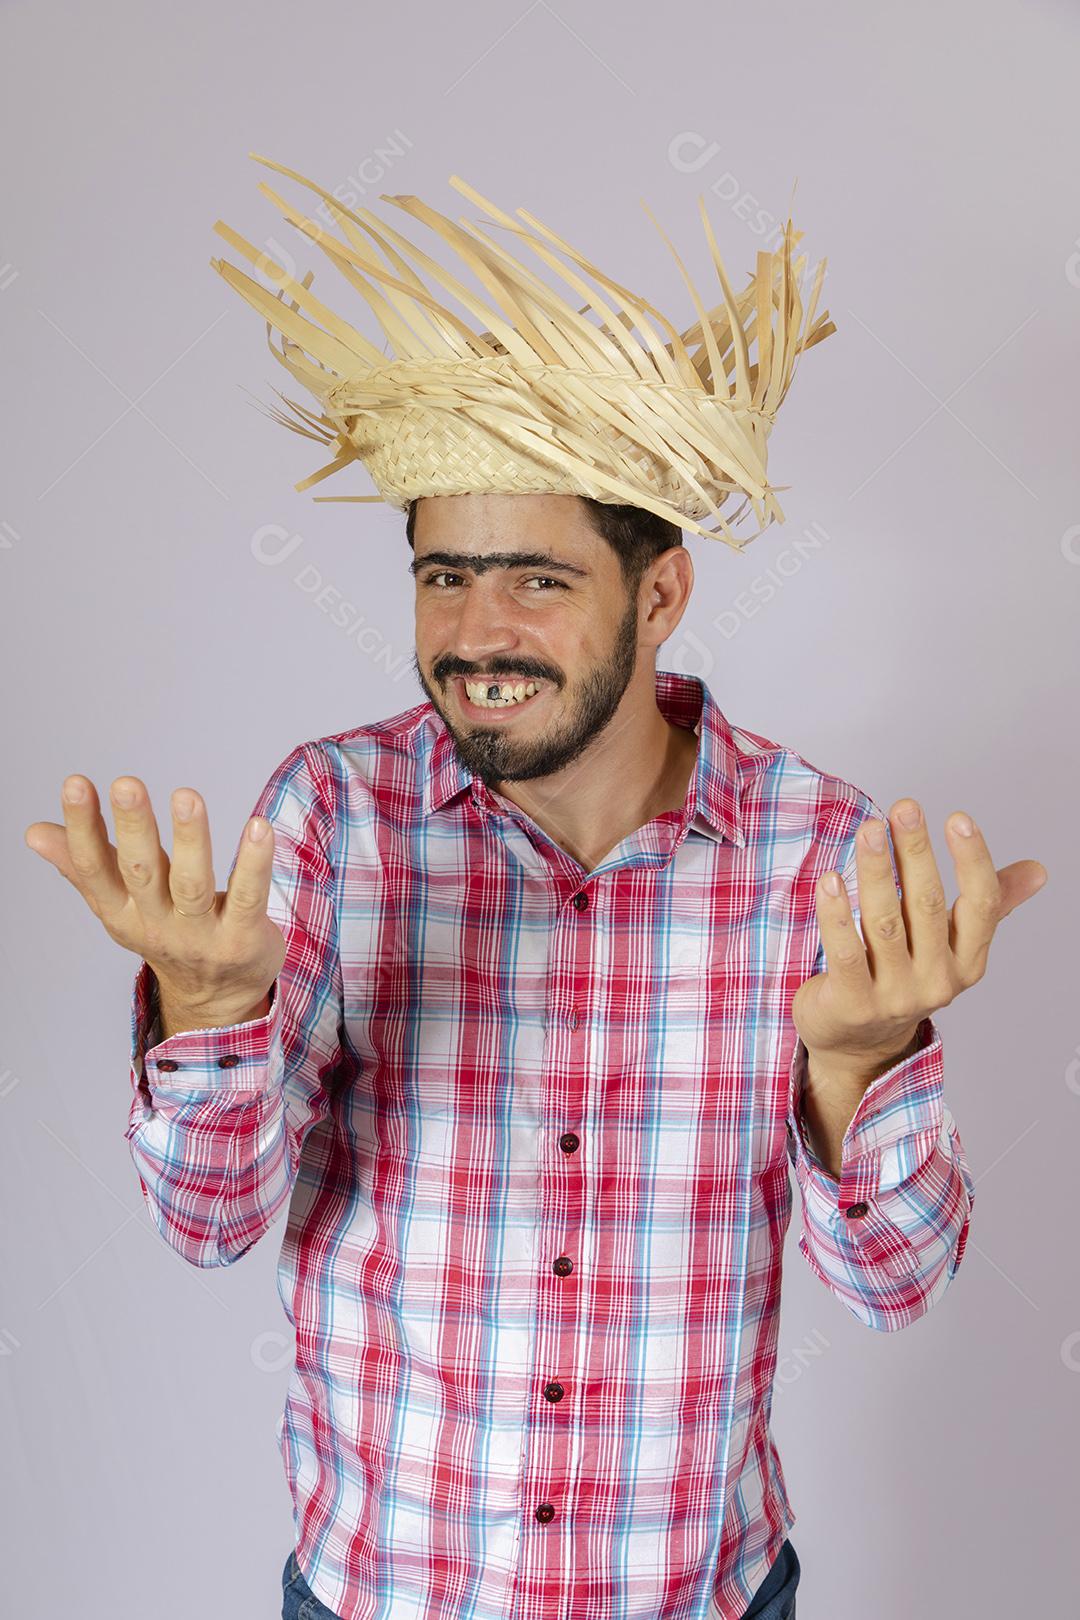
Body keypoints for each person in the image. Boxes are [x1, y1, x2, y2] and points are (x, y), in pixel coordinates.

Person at [24, 164, 1047, 1620]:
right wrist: (207, 1004)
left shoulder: (821, 850)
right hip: (382, 1593)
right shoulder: (329, 816)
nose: (476, 634)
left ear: (661, 595)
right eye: (444, 578)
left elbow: (896, 1285)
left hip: (699, 1591)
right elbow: (209, 1222)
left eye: (537, 582)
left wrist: (858, 1062)